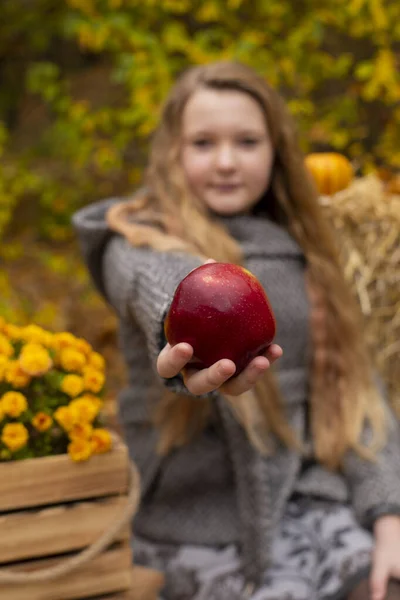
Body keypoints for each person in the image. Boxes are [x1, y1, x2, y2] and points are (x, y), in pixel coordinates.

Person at [72, 61, 400, 600]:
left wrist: (386, 513)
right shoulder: (134, 235)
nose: (226, 162)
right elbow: (149, 278)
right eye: (203, 143)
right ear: (173, 152)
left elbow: (355, 390)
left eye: (246, 142)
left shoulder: (304, 251)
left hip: (311, 503)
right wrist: (188, 307)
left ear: (276, 151)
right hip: (198, 519)